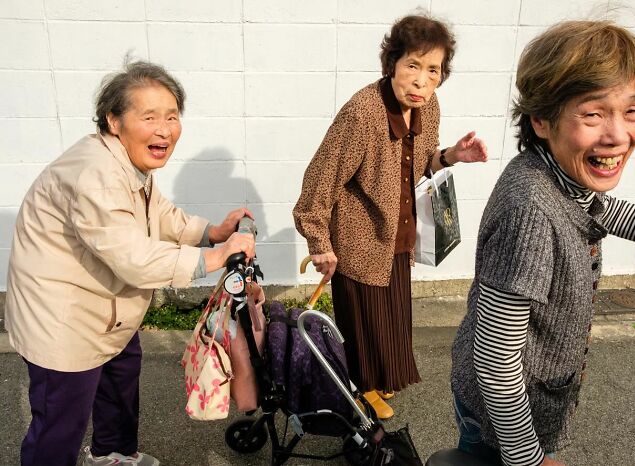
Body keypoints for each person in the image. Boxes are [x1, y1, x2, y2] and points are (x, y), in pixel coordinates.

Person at [5, 60, 255, 466]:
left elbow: (159, 213)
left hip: (106, 310)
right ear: (114, 120)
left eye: (172, 116)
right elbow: (133, 258)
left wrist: (213, 232)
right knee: (59, 424)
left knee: (120, 380)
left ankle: (113, 455)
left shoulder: (130, 162)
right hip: (63, 320)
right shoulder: (96, 174)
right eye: (149, 117)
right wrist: (212, 257)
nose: (164, 129)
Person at [450, 21, 635, 466]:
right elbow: (495, 359)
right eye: (593, 114)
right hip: (501, 417)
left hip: (533, 397)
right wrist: (527, 458)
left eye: (632, 112)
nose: (618, 134)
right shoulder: (530, 211)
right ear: (541, 120)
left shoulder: (563, 175)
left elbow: (598, 210)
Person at [293, 13, 488, 420]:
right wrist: (320, 245)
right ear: (392, 65)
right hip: (357, 236)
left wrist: (452, 156)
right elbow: (319, 181)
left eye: (432, 70)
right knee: (364, 321)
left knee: (392, 317)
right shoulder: (361, 113)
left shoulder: (428, 107)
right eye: (412, 66)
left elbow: (416, 166)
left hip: (397, 235)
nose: (421, 80)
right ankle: (361, 392)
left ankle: (377, 382)